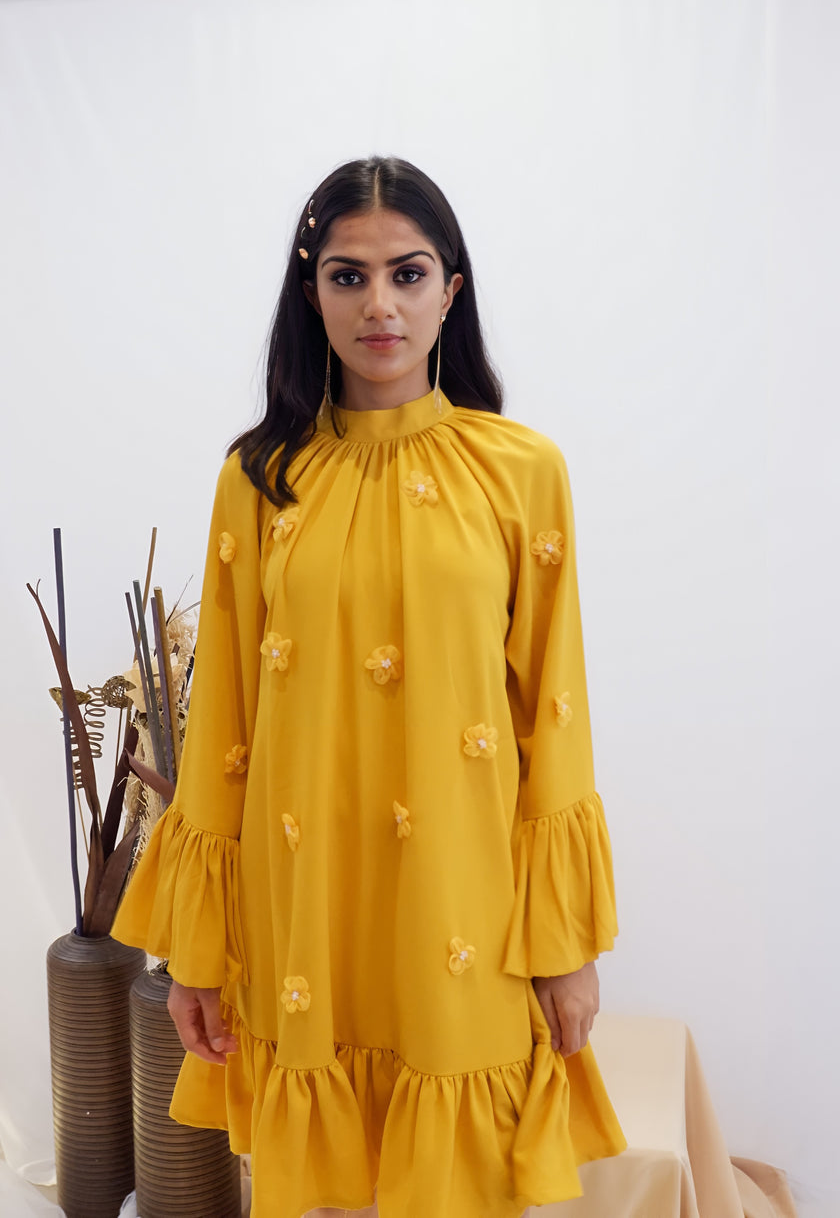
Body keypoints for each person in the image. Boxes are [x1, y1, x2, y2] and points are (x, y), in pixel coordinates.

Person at [112, 155, 626, 1218]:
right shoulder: (258, 479)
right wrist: (200, 952)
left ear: (452, 288)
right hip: (306, 908)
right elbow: (223, 728)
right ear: (313, 294)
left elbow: (555, 717)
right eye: (348, 275)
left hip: (464, 906)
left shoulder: (522, 471)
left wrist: (562, 947)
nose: (379, 304)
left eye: (408, 271)